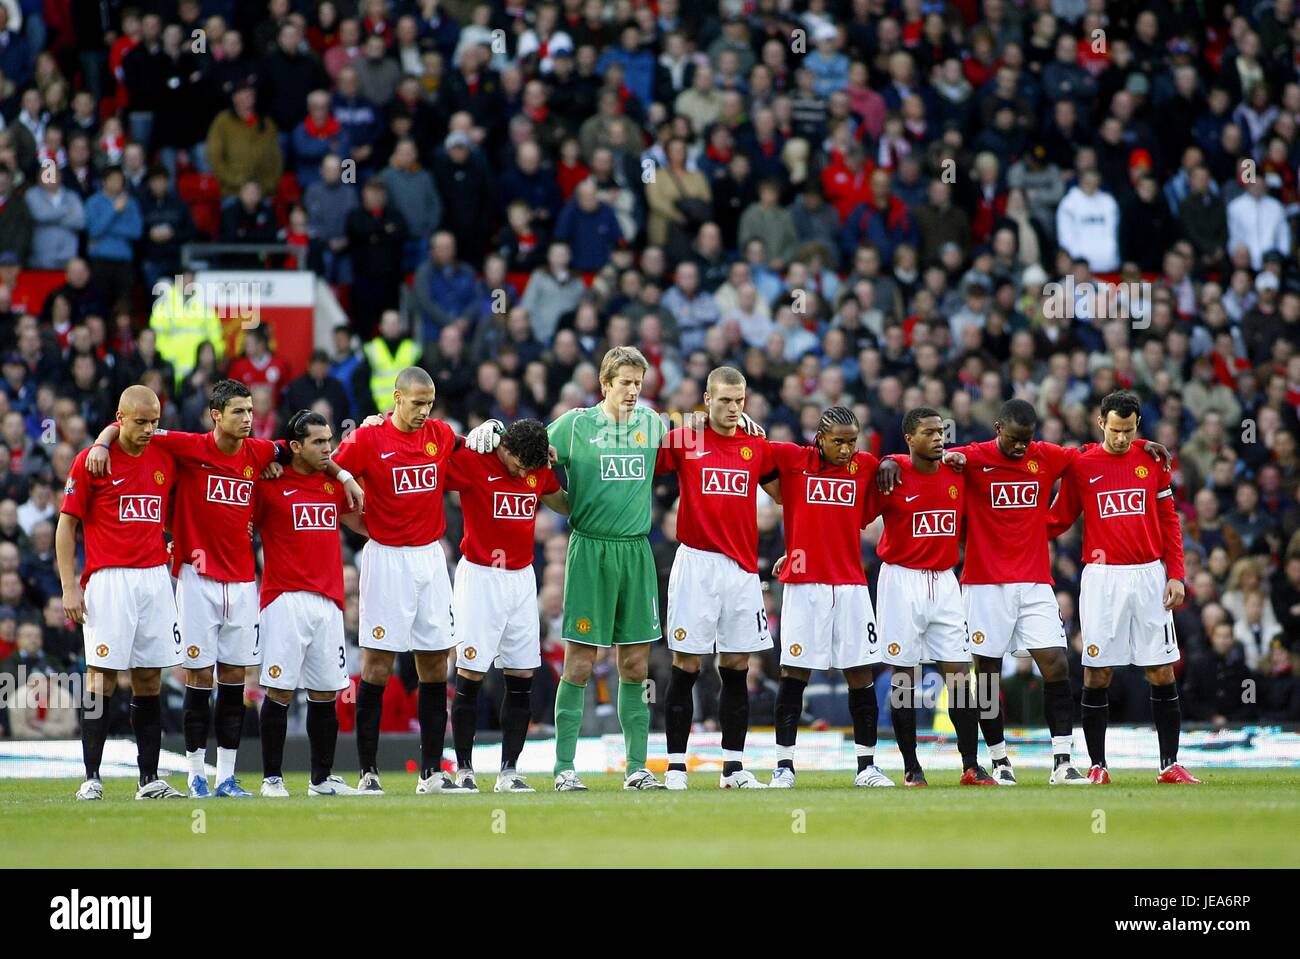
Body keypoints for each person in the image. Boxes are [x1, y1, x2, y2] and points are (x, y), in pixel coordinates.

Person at [86, 379, 362, 798]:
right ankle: (196, 775)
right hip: (197, 579)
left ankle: (226, 777)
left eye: (251, 411)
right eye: (239, 412)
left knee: (235, 678)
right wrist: (103, 443)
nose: (248, 419)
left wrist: (343, 474)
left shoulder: (260, 453)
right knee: (199, 676)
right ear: (216, 415)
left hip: (243, 582)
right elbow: (130, 427)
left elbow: (307, 450)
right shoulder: (188, 446)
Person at [914, 399, 1169, 785]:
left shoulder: (1046, 457)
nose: (1021, 448)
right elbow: (931, 461)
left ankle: (1062, 761)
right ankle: (1000, 761)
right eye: (1014, 440)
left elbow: (1098, 453)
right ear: (998, 428)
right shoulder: (971, 458)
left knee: (1057, 664)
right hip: (984, 583)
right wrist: (890, 462)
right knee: (987, 674)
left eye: (1027, 440)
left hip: (1035, 580)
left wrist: (1140, 445)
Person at [1048, 390, 1198, 784]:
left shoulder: (1152, 460)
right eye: (1115, 430)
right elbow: (1058, 519)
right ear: (1101, 424)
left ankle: (1169, 764)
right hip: (1102, 579)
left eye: (1129, 431)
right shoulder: (1082, 464)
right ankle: (1098, 765)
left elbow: (1170, 521)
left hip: (1149, 574)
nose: (1121, 439)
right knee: (1098, 673)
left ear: (1137, 428)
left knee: (1161, 669)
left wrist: (1176, 574)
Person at [331, 366, 468, 795]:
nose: (424, 411)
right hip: (385, 559)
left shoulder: (441, 435)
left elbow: (469, 455)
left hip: (430, 557)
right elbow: (333, 485)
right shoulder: (368, 438)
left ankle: (430, 771)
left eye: (429, 403)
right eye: (416, 403)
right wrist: (367, 528)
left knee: (434, 663)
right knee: (377, 663)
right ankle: (368, 772)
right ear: (396, 398)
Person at [58, 386, 183, 801]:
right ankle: (91, 777)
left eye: (155, 422)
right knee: (102, 677)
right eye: (141, 421)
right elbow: (67, 525)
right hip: (108, 579)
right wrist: (69, 585)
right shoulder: (92, 461)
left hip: (153, 579)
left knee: (149, 677)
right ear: (120, 417)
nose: (149, 429)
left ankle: (149, 779)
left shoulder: (165, 456)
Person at [654, 366, 776, 789]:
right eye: (724, 400)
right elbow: (642, 457)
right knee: (686, 665)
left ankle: (734, 769)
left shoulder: (756, 445)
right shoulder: (686, 438)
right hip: (696, 563)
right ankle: (674, 767)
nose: (732, 408)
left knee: (738, 667)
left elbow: (786, 491)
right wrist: (679, 420)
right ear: (706, 400)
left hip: (741, 569)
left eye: (739, 400)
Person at [766, 406, 892, 788]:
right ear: (819, 438)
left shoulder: (866, 466)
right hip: (805, 585)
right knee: (794, 673)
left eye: (852, 441)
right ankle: (784, 766)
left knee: (860, 673)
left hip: (851, 585)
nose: (846, 449)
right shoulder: (791, 459)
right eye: (838, 441)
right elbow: (751, 453)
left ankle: (866, 766)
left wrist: (892, 461)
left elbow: (896, 462)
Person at [446, 419, 569, 793]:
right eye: (518, 465)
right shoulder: (473, 459)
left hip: (520, 579)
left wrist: (564, 463)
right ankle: (464, 769)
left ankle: (509, 771)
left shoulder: (537, 467)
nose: (523, 474)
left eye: (531, 469)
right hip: (480, 576)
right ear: (505, 447)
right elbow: (428, 454)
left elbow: (564, 501)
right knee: (470, 674)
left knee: (521, 678)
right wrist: (465, 438)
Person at [875, 407, 993, 787]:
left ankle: (971, 766)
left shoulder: (957, 471)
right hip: (900, 581)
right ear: (909, 439)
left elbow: (995, 451)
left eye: (942, 431)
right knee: (904, 677)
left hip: (945, 581)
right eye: (929, 433)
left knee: (961, 674)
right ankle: (911, 768)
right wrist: (886, 460)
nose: (939, 438)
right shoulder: (891, 476)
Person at [254, 411, 365, 797]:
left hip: (329, 601)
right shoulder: (268, 484)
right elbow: (241, 524)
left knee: (326, 692)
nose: (328, 448)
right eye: (318, 442)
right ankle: (272, 778)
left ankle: (321, 778)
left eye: (329, 440)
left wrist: (343, 474)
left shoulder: (330, 485)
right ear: (295, 446)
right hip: (284, 599)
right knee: (279, 690)